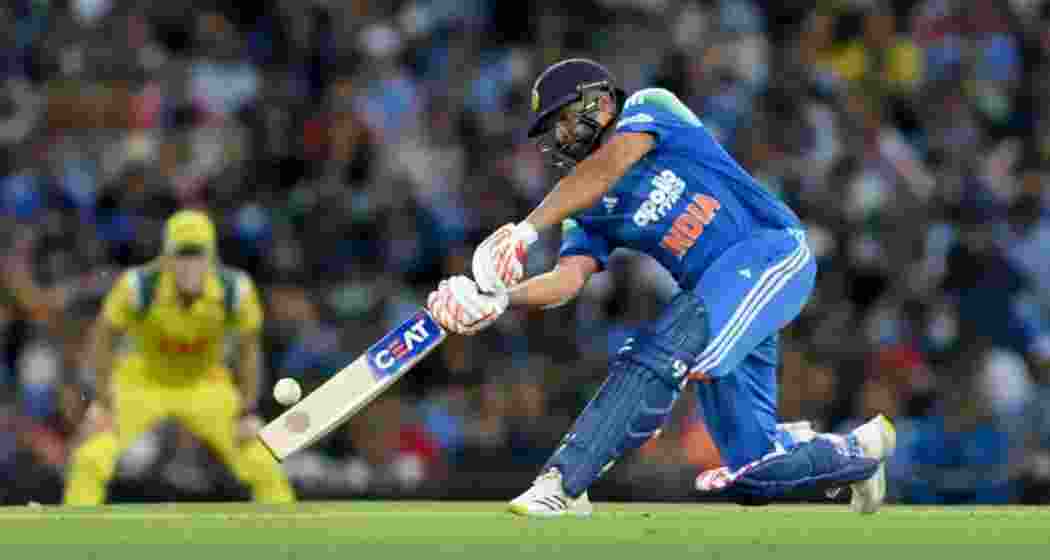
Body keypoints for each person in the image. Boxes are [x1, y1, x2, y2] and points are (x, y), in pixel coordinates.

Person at [426, 59, 895, 516]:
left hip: (769, 254)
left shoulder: (651, 107)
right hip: (718, 300)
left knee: (663, 345)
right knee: (756, 472)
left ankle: (564, 483)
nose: (561, 137)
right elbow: (567, 280)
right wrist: (503, 298)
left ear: (599, 101)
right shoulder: (586, 204)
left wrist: (525, 230)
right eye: (554, 130)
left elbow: (610, 164)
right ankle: (856, 452)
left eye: (564, 120)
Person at [63, 210, 295, 505]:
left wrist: (247, 410)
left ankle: (285, 543)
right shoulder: (136, 287)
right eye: (181, 255)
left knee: (262, 460)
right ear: (166, 258)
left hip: (206, 384)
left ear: (211, 257)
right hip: (142, 382)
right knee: (91, 456)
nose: (189, 266)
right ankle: (77, 542)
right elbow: (102, 339)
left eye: (196, 255)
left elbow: (248, 352)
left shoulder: (236, 290)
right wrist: (101, 403)